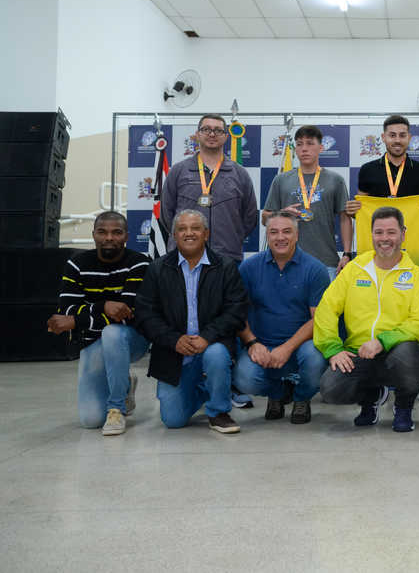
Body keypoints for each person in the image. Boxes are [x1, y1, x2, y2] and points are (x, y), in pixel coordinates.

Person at [346, 114, 419, 405]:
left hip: (412, 257)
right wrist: (354, 210)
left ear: (409, 138)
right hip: (378, 257)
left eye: (402, 135)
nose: (397, 140)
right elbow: (360, 210)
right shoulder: (368, 170)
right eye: (392, 135)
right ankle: (376, 380)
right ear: (384, 138)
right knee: (377, 313)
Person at [314, 207, 419, 432]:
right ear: (371, 235)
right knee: (330, 389)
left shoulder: (415, 275)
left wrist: (382, 341)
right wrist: (332, 348)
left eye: (391, 232)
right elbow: (326, 309)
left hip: (398, 352)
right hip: (359, 352)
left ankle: (403, 406)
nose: (384, 238)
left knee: (408, 355)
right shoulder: (354, 269)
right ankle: (372, 397)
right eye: (379, 232)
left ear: (403, 234)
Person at [135, 210, 249, 433]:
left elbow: (236, 310)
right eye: (182, 229)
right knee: (173, 420)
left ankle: (218, 411)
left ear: (206, 234)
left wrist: (207, 337)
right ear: (174, 235)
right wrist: (174, 340)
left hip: (212, 345)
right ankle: (207, 390)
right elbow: (145, 314)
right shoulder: (157, 268)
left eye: (195, 228)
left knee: (216, 355)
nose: (189, 233)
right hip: (174, 353)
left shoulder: (225, 267)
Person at [46, 211, 150, 436]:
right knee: (91, 419)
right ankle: (124, 382)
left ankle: (117, 408)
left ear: (126, 236)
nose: (109, 238)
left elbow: (127, 314)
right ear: (94, 235)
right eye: (102, 232)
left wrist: (78, 320)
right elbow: (66, 311)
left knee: (113, 332)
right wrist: (103, 306)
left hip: (133, 339)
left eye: (116, 232)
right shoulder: (77, 264)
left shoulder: (140, 263)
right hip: (93, 341)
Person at [233, 212, 331, 424]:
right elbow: (237, 312)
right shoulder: (249, 268)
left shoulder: (316, 269)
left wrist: (287, 348)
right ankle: (277, 393)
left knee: (315, 361)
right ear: (267, 236)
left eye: (287, 232)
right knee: (244, 377)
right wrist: (252, 343)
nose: (280, 237)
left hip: (302, 345)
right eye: (274, 232)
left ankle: (301, 397)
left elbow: (319, 320)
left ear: (297, 235)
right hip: (262, 344)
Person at [162, 114, 259, 262]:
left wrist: (231, 237)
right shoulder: (178, 171)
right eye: (206, 129)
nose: (212, 134)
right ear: (197, 134)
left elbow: (250, 217)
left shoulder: (239, 174)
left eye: (218, 130)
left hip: (227, 257)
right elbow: (166, 214)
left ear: (226, 137)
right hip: (185, 256)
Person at [263, 124, 353, 277]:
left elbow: (345, 218)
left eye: (310, 143)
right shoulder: (281, 180)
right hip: (286, 261)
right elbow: (265, 218)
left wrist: (347, 253)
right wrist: (282, 213)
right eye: (299, 144)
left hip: (326, 261)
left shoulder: (335, 180)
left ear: (321, 148)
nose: (304, 149)